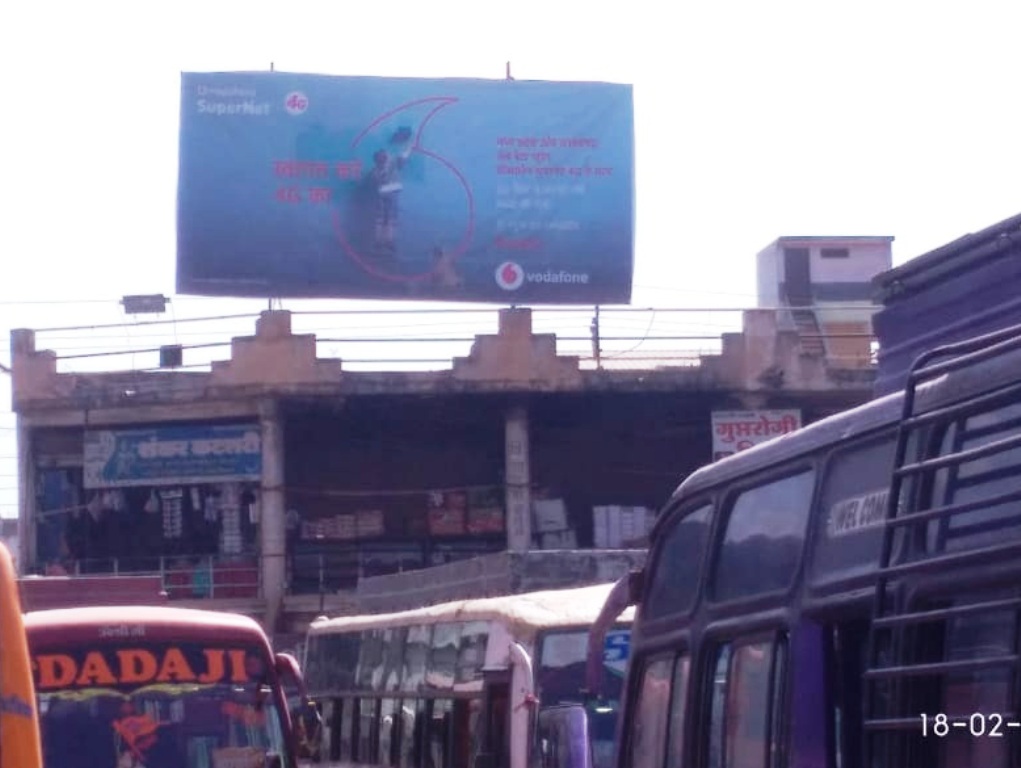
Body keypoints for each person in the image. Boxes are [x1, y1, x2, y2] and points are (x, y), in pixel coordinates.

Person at [370, 127, 414, 256]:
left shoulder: (376, 171)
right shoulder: (392, 162)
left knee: (380, 218)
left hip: (382, 192)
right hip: (393, 191)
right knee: (391, 218)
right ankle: (389, 241)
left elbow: (376, 178)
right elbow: (402, 160)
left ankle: (378, 241)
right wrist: (408, 146)